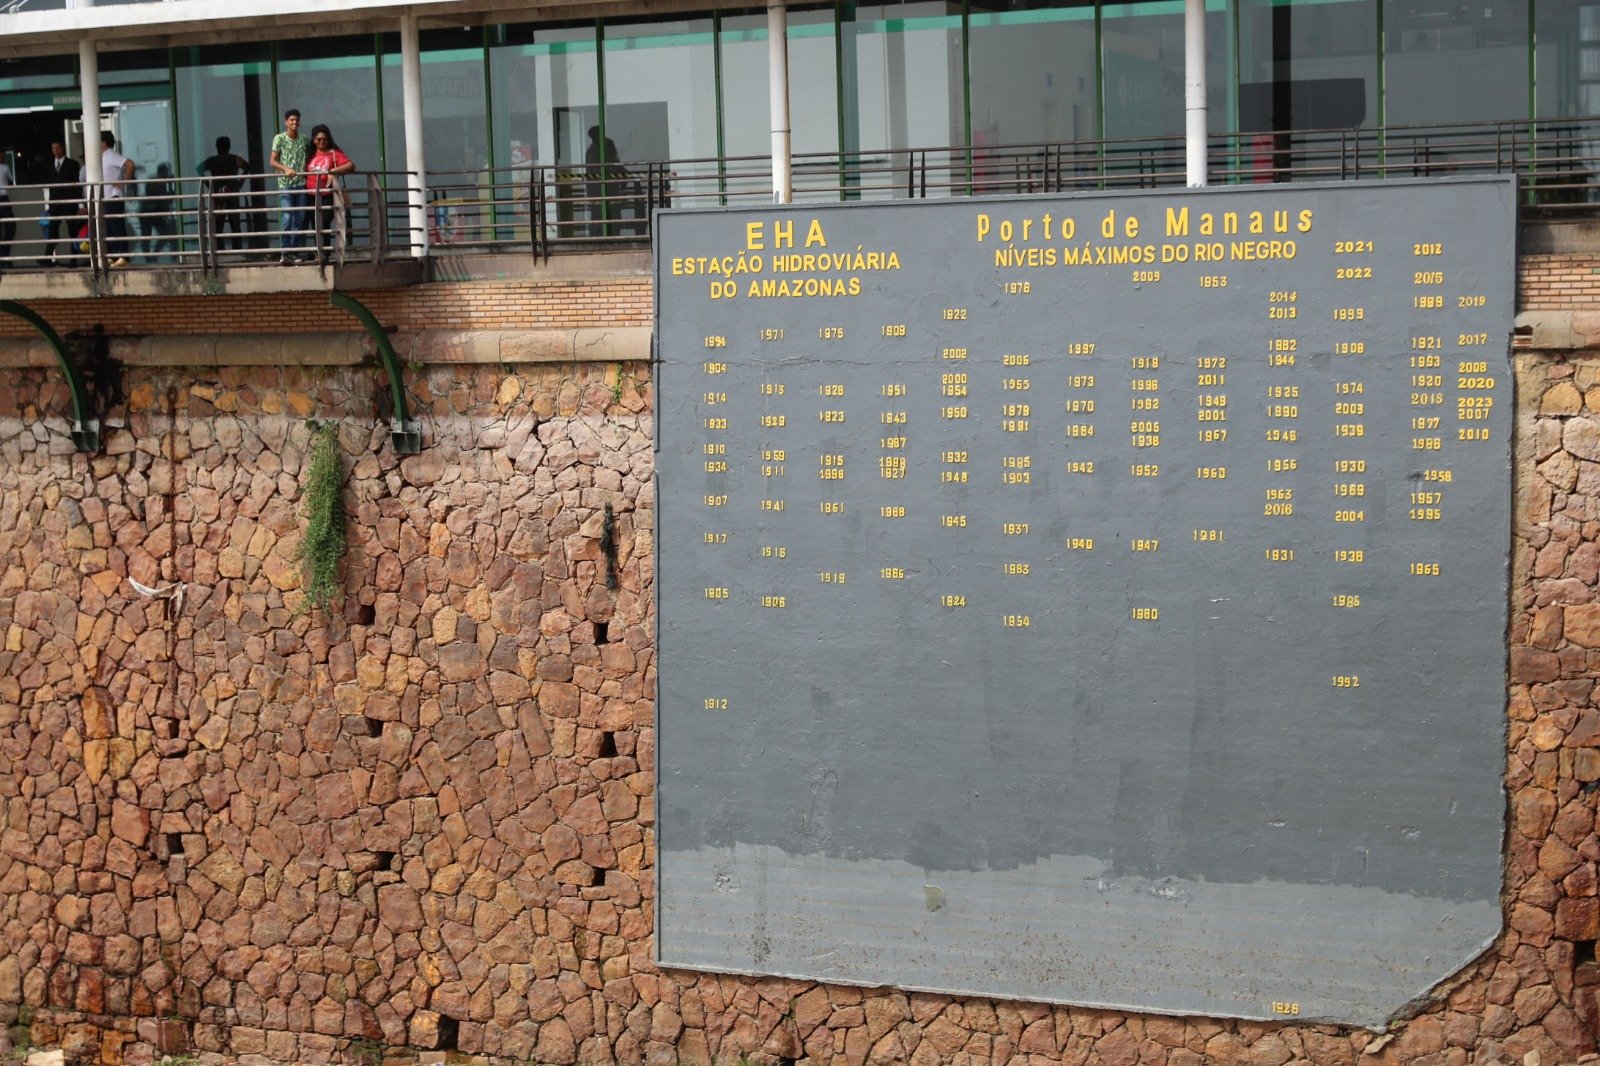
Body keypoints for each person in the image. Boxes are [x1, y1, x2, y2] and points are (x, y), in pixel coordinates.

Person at [305, 124, 355, 257]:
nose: (322, 141)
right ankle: (320, 252)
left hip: (328, 194)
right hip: (310, 195)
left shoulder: (334, 153)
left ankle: (324, 253)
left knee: (324, 221)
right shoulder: (309, 154)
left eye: (325, 139)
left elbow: (351, 166)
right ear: (314, 140)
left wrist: (333, 170)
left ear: (329, 139)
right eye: (319, 139)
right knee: (315, 224)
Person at [269, 108, 311, 262]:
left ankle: (294, 252)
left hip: (301, 183)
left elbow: (311, 155)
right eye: (292, 120)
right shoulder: (279, 138)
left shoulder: (304, 139)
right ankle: (285, 252)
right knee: (287, 217)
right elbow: (272, 161)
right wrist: (285, 169)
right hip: (285, 185)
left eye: (297, 120)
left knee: (299, 218)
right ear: (286, 122)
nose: (295, 122)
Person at [198, 135, 251, 253]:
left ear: (217, 147)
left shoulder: (213, 161)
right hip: (232, 195)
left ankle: (219, 251)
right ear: (229, 146)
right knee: (235, 225)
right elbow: (247, 167)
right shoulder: (234, 159)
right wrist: (239, 183)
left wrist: (209, 185)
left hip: (218, 196)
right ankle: (237, 250)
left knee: (218, 226)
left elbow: (199, 169)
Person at [37, 140, 80, 264]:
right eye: (53, 148)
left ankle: (73, 261)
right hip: (55, 203)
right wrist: (49, 204)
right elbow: (49, 185)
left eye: (58, 148)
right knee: (52, 231)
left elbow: (77, 185)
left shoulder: (72, 164)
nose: (56, 150)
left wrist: (80, 203)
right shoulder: (49, 165)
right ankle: (47, 259)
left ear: (63, 148)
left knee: (72, 231)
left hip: (69, 203)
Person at [99, 131, 135, 267]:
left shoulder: (111, 155)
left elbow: (130, 164)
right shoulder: (101, 157)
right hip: (105, 197)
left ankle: (124, 256)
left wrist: (124, 181)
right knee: (109, 228)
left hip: (113, 196)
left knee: (117, 226)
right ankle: (113, 255)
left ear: (104, 142)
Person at [584, 125, 627, 237]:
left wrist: (623, 174)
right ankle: (600, 237)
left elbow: (616, 163)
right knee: (600, 215)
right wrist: (621, 174)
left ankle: (611, 237)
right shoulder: (594, 151)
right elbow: (602, 168)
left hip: (607, 190)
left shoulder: (601, 147)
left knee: (610, 214)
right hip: (599, 191)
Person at [140, 162, 176, 263]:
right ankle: (150, 257)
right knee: (150, 236)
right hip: (150, 211)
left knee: (160, 235)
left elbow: (165, 197)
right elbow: (163, 197)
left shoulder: (156, 180)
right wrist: (170, 183)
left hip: (152, 211)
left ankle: (152, 257)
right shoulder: (157, 181)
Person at [0, 153, 14, 264]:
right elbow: (11, 180)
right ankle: (4, 257)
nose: (3, 158)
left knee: (9, 227)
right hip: (3, 198)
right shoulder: (5, 167)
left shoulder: (5, 167)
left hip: (4, 198)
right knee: (11, 226)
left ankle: (3, 258)